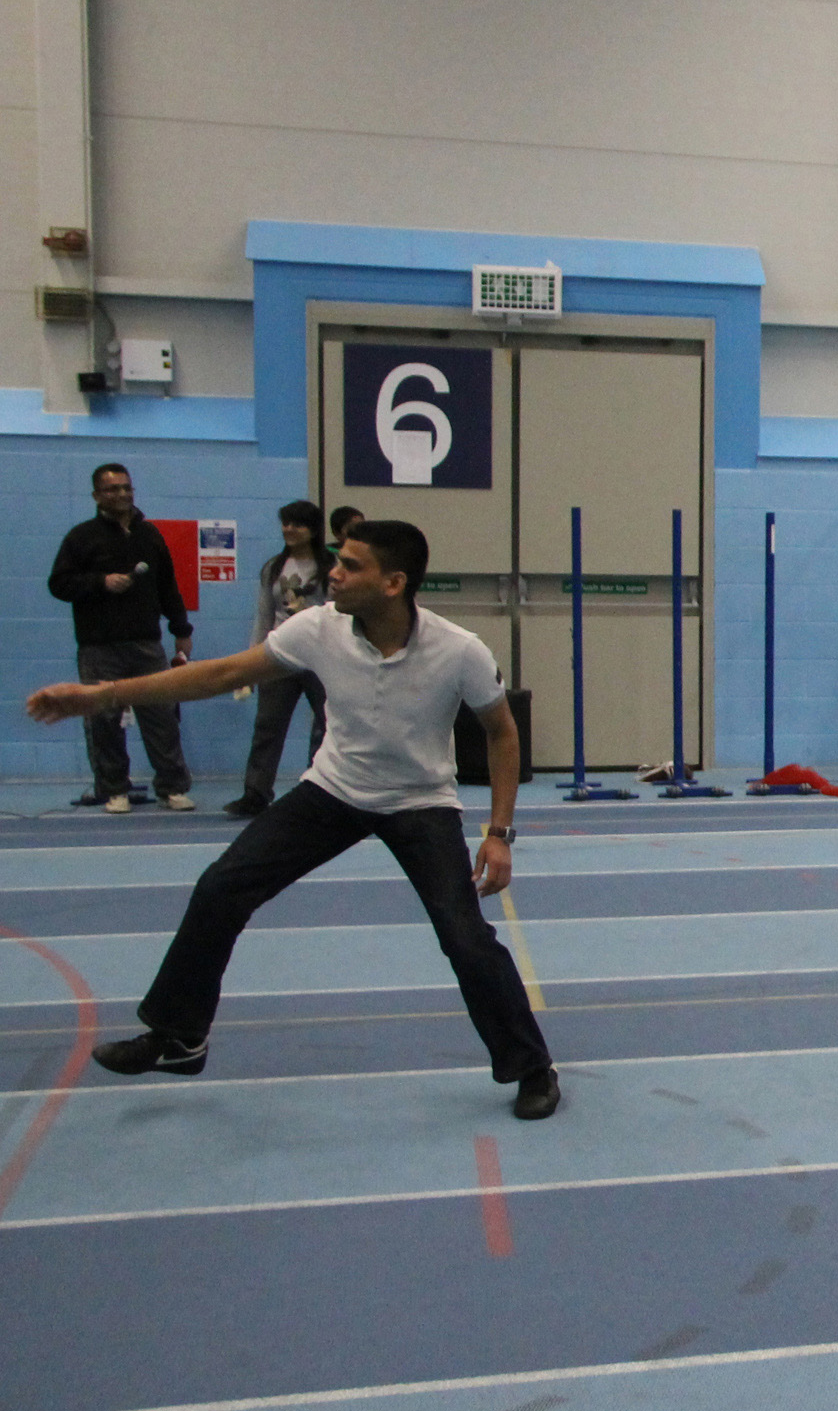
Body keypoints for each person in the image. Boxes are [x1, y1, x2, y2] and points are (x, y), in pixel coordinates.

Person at [25, 519, 561, 1120]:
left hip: (420, 802)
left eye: (351, 565)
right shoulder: (314, 629)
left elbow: (501, 732)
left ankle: (532, 1066)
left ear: (393, 583)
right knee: (222, 888)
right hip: (333, 789)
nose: (333, 573)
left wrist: (499, 833)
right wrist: (100, 696)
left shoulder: (459, 651)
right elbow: (222, 673)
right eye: (337, 561)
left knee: (464, 936)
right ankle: (179, 1037)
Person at [46, 462, 195, 812]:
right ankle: (114, 789)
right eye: (113, 489)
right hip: (99, 647)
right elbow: (59, 584)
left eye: (126, 487)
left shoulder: (150, 536)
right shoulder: (80, 537)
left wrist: (181, 630)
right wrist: (101, 582)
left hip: (146, 644)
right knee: (104, 721)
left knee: (161, 717)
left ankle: (172, 787)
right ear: (97, 495)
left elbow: (167, 586)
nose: (122, 494)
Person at [225, 500, 334, 817]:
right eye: (285, 523)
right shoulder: (274, 568)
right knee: (267, 726)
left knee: (328, 727)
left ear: (312, 529)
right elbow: (263, 616)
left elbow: (339, 614)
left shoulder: (330, 568)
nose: (288, 529)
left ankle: (319, 791)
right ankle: (255, 793)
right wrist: (250, 663)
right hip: (279, 657)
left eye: (296, 524)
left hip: (321, 658)